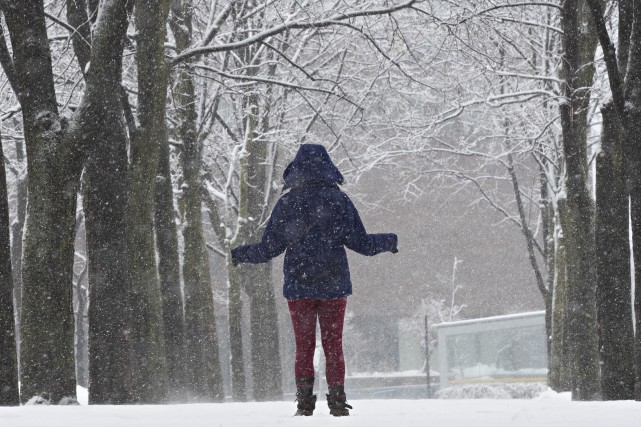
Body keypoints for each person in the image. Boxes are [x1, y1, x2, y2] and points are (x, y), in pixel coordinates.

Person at [231, 144, 398, 416]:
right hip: (334, 285)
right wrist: (389, 241)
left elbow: (270, 248)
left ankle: (305, 403)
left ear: (296, 169)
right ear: (327, 166)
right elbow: (362, 243)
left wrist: (240, 253)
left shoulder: (287, 203)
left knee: (304, 346)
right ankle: (337, 401)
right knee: (334, 346)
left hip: (299, 287)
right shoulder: (339, 200)